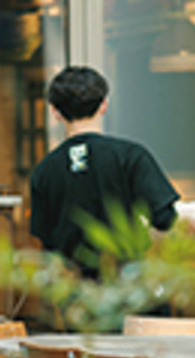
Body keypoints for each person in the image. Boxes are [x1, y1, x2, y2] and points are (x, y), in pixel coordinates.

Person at [29, 65, 181, 275]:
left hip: (76, 295)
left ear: (55, 112)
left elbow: (46, 241)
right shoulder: (130, 156)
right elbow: (165, 219)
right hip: (128, 289)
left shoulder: (44, 171)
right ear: (104, 105)